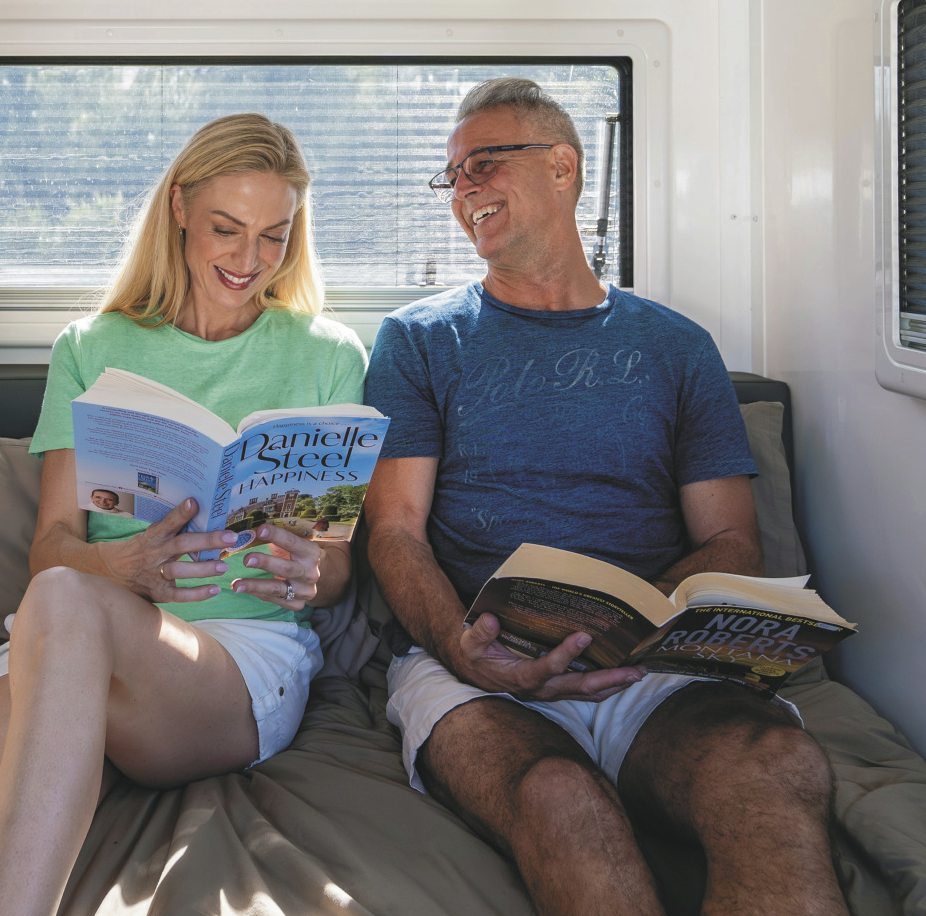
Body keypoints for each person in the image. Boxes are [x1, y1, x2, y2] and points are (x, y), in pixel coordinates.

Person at [362, 78, 848, 916]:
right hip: (477, 663)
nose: (465, 189)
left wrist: (635, 625)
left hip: (647, 663)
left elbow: (733, 540)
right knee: (560, 796)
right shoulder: (418, 340)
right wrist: (459, 646)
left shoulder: (678, 347)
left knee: (774, 766)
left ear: (562, 167)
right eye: (453, 175)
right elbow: (394, 531)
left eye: (484, 162)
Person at [0, 114, 369, 916]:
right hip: (70, 631)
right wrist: (123, 565)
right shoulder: (91, 346)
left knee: (63, 603)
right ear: (179, 208)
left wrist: (312, 571)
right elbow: (52, 548)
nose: (249, 260)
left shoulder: (329, 354)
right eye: (226, 229)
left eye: (274, 237)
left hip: (231, 654)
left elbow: (338, 571)